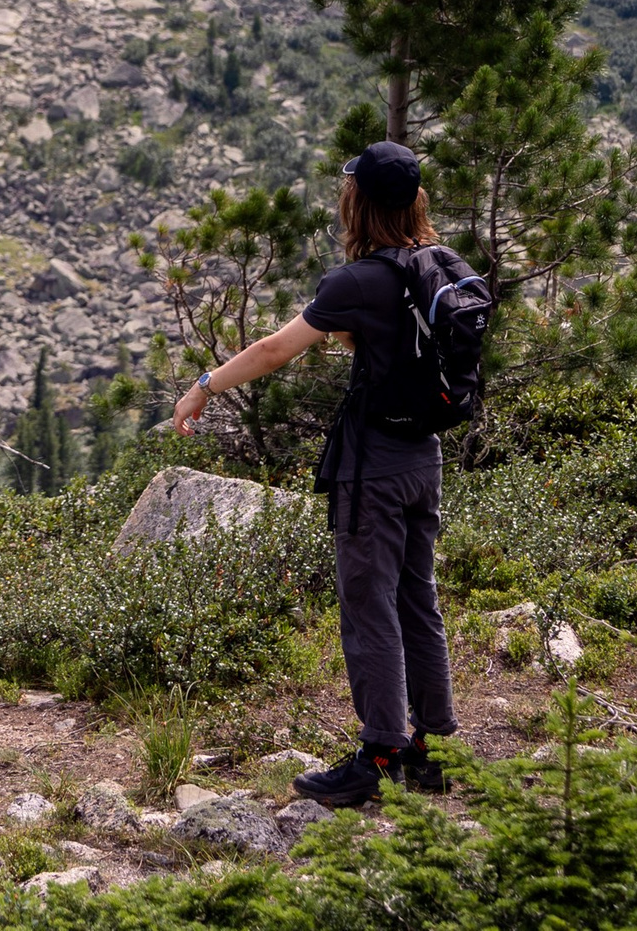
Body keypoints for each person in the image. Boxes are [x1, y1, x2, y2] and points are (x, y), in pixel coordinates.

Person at [171, 140, 456, 806]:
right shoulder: (440, 264)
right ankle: (435, 748)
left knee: (369, 608)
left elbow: (275, 349)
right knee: (420, 601)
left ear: (357, 200)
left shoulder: (358, 281)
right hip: (424, 458)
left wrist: (205, 383)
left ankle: (380, 752)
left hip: (374, 469)